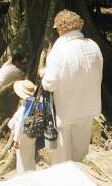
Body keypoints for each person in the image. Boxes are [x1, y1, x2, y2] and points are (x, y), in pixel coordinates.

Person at [41, 9, 103, 164]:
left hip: (66, 111)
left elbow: (50, 84)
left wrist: (43, 74)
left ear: (60, 29)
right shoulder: (93, 45)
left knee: (61, 159)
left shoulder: (58, 50)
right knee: (80, 155)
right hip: (89, 108)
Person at [8, 80, 37, 173]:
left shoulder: (24, 108)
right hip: (32, 133)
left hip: (23, 136)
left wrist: (16, 140)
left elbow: (20, 125)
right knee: (30, 156)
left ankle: (24, 178)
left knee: (22, 160)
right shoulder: (35, 103)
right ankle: (32, 173)